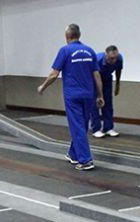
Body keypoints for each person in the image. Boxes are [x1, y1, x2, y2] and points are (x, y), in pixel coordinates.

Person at [37, 24, 104, 171]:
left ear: (67, 36)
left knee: (77, 127)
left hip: (72, 96)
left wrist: (43, 86)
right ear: (79, 35)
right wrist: (100, 95)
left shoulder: (65, 50)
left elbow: (54, 74)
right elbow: (97, 75)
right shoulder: (90, 51)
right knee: (82, 126)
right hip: (88, 95)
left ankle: (86, 160)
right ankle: (73, 154)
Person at [91, 45, 123, 138]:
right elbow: (96, 77)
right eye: (111, 59)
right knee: (96, 102)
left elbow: (118, 70)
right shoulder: (97, 60)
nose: (114, 61)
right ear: (106, 55)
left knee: (108, 103)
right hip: (94, 78)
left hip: (107, 77)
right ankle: (96, 129)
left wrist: (117, 84)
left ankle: (108, 128)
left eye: (115, 58)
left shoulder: (119, 58)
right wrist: (99, 94)